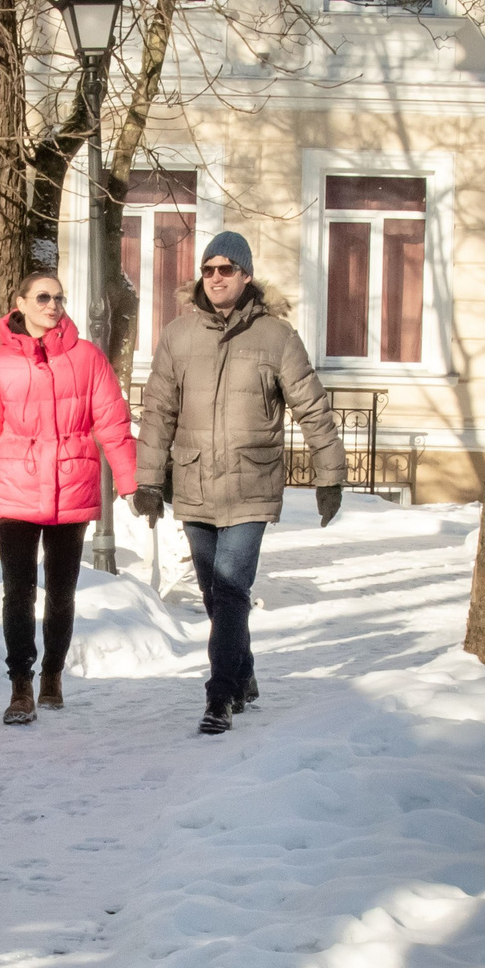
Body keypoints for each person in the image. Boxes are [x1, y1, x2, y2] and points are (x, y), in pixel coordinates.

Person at [133, 230, 345, 735]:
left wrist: (330, 476)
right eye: (208, 269)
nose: (215, 278)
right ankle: (243, 671)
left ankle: (220, 695)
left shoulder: (276, 337)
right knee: (214, 594)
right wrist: (149, 481)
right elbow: (158, 412)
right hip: (194, 482)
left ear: (246, 275)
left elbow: (312, 408)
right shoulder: (179, 336)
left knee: (231, 588)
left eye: (226, 269)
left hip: (252, 484)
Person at [0, 270, 139, 726]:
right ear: (20, 302)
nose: (53, 305)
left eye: (58, 297)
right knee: (17, 593)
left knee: (61, 593)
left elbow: (113, 424)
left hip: (71, 487)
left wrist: (131, 483)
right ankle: (20, 685)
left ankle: (53, 675)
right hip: (14, 490)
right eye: (42, 297)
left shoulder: (87, 358)